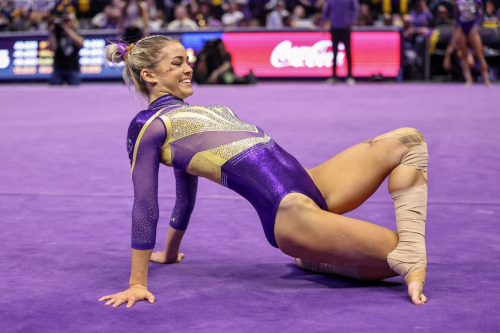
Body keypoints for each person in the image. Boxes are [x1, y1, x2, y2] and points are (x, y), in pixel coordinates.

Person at [99, 36, 429, 309]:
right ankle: (320, 252)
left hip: (313, 183)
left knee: (408, 140)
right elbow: (145, 203)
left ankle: (316, 256)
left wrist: (169, 254)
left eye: (187, 60)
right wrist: (137, 282)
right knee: (397, 254)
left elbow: (185, 198)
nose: (188, 68)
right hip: (290, 211)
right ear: (149, 76)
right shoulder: (148, 125)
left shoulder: (200, 111)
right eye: (176, 63)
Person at [449, 0, 491, 86]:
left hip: (472, 26)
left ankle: (486, 80)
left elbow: (480, 15)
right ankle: (468, 80)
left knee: (479, 54)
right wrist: (457, 29)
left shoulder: (477, 1)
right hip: (462, 27)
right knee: (464, 55)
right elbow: (456, 16)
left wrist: (475, 27)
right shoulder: (458, 2)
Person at [321, 0, 359, 85]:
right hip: (334, 28)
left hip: (346, 28)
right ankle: (334, 76)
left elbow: (355, 9)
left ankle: (349, 76)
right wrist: (323, 23)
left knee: (348, 53)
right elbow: (327, 10)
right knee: (334, 53)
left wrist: (351, 21)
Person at [47, 15, 84, 85]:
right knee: (52, 87)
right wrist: (53, 32)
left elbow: (80, 43)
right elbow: (52, 49)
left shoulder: (75, 33)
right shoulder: (56, 35)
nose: (65, 24)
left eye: (67, 22)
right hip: (58, 69)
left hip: (73, 68)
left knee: (76, 90)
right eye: (64, 22)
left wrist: (67, 29)